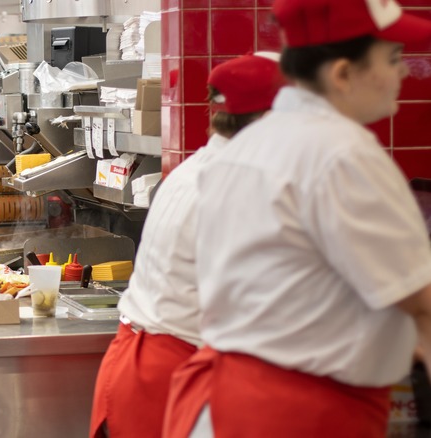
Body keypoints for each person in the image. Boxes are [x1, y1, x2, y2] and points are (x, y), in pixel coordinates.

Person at [163, 1, 431, 437]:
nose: (404, 73)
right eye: (394, 59)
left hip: (224, 404)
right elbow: (422, 304)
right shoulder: (344, 154)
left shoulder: (245, 147)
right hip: (298, 414)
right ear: (343, 73)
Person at [88, 53, 286, 438]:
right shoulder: (240, 186)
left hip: (140, 364)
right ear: (268, 119)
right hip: (166, 378)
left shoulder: (195, 169)